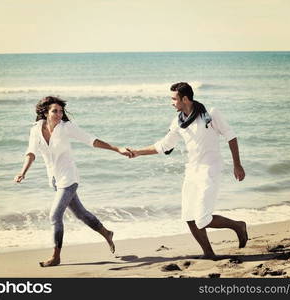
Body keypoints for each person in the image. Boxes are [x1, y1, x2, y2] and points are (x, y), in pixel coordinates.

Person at [127, 82, 247, 259]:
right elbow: (163, 145)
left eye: (174, 99)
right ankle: (208, 253)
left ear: (185, 99)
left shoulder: (210, 114)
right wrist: (137, 152)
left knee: (202, 219)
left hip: (210, 169)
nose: (171, 102)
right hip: (192, 171)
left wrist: (237, 164)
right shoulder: (177, 122)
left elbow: (231, 136)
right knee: (189, 217)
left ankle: (238, 226)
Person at [14, 96, 132, 267]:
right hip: (54, 179)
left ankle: (56, 257)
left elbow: (92, 140)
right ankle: (107, 233)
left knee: (55, 216)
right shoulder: (35, 129)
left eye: (61, 111)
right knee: (81, 214)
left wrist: (117, 149)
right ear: (45, 112)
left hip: (69, 178)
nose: (59, 114)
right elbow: (31, 152)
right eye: (55, 111)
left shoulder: (66, 127)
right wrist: (22, 172)